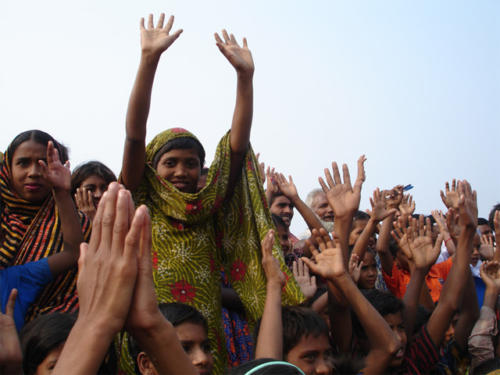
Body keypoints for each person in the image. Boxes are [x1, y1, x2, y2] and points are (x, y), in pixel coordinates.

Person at [119, 13, 303, 373]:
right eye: (170, 163)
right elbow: (135, 136)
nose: (181, 172)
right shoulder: (144, 197)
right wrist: (148, 61)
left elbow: (236, 149)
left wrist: (245, 79)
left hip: (203, 335)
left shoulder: (209, 204)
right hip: (149, 325)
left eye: (191, 163)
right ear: (152, 170)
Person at [0, 130, 90, 323]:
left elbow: (74, 252)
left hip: (50, 340)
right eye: (23, 163)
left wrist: (61, 193)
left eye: (43, 164)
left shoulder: (76, 223)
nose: (33, 173)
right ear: (8, 168)